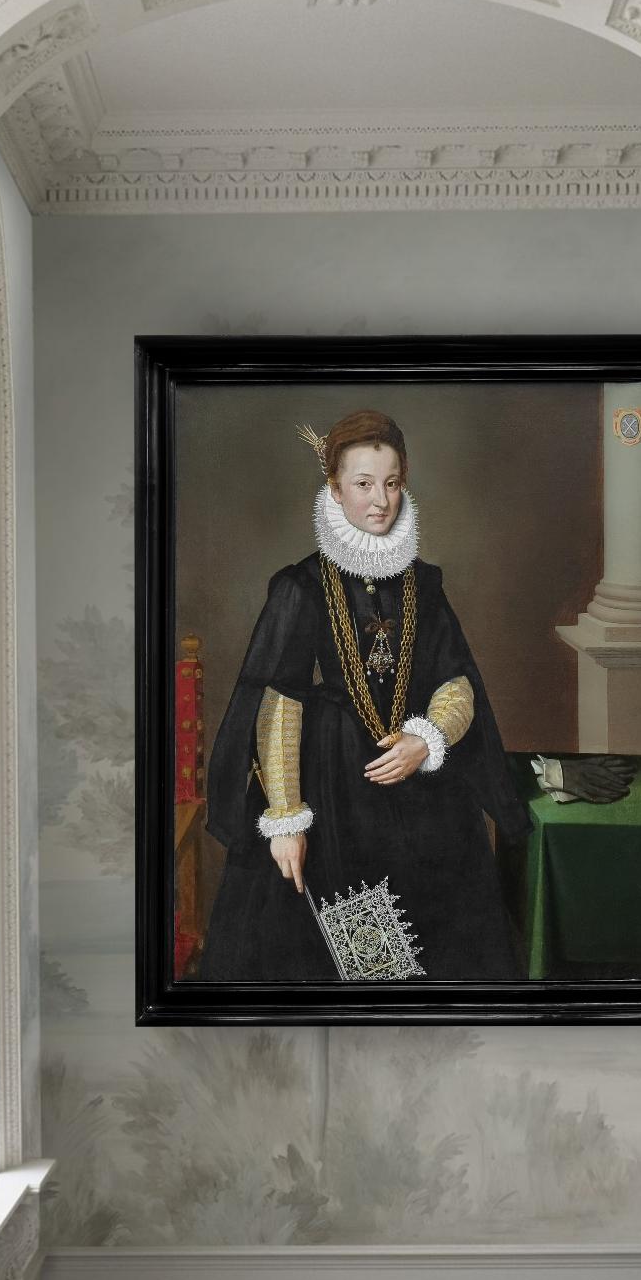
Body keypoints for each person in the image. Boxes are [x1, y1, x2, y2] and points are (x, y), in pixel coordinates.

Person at [198, 409, 530, 982]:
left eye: (392, 483)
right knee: (335, 950)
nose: (381, 499)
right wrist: (286, 820)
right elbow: (279, 703)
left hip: (420, 789)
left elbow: (457, 683)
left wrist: (427, 741)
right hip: (328, 791)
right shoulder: (299, 586)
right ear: (334, 487)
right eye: (363, 483)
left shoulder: (424, 584)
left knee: (449, 947)